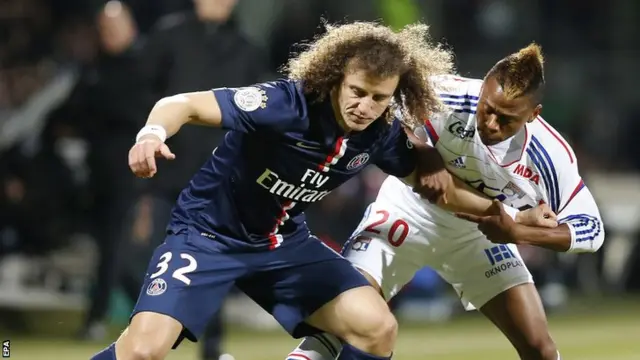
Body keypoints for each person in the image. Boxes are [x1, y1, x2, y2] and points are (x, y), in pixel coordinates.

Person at [88, 21, 511, 360]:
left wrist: (509, 217)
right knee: (142, 352)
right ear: (336, 78)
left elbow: (442, 190)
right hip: (207, 237)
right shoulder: (286, 104)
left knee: (377, 328)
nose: (364, 106)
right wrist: (151, 133)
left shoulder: (380, 136)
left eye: (378, 98)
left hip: (282, 246)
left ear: (393, 97)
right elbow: (184, 103)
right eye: (356, 91)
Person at [287, 43, 605, 360]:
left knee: (540, 348)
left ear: (533, 115)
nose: (491, 123)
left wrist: (519, 234)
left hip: (478, 236)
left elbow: (591, 230)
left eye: (506, 119)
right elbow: (382, 110)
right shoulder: (445, 95)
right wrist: (423, 152)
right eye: (488, 109)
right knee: (343, 322)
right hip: (406, 210)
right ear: (482, 90)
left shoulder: (550, 157)